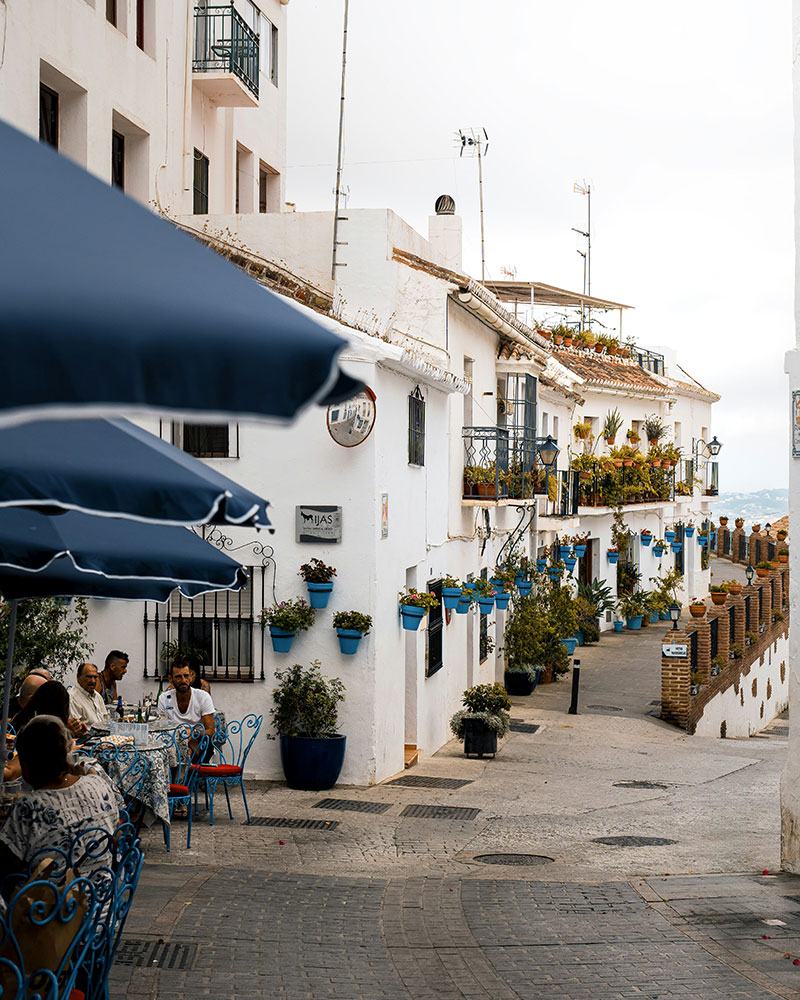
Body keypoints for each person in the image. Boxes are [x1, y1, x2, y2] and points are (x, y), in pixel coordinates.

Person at [0, 716, 120, 882]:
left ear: (26, 766)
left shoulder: (29, 807)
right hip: (101, 900)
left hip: (50, 904)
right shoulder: (98, 784)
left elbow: (7, 867)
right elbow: (115, 833)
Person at [69, 663, 109, 728]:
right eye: (89, 677)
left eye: (95, 677)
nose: (93, 681)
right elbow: (75, 729)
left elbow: (105, 720)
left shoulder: (97, 696)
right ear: (78, 677)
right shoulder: (72, 697)